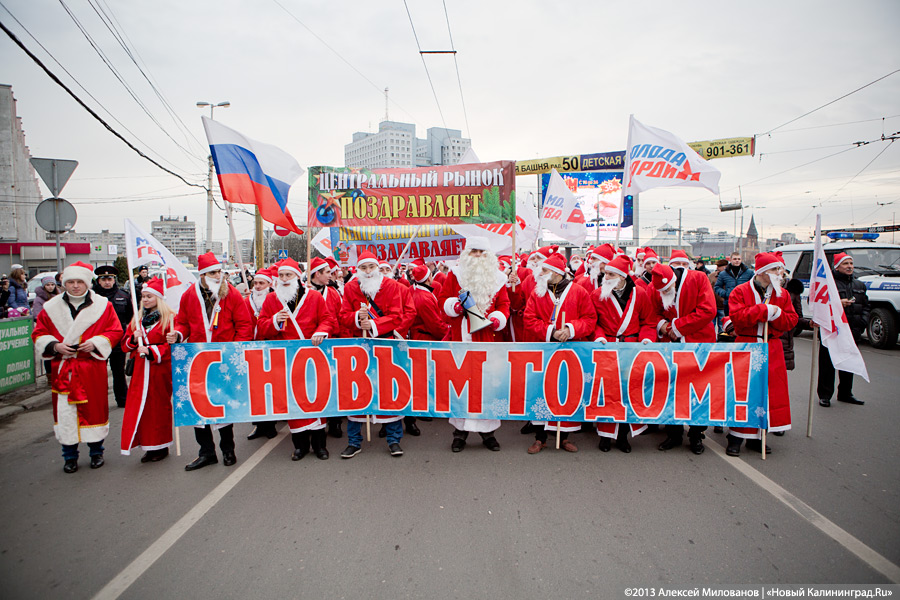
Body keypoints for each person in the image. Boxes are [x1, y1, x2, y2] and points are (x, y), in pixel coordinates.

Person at [31, 261, 123, 473]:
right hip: (64, 368)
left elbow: (115, 330)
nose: (74, 286)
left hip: (90, 366)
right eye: (70, 282)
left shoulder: (103, 305)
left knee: (94, 411)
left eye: (79, 282)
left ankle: (96, 452)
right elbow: (39, 333)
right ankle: (69, 456)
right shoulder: (50, 308)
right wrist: (55, 345)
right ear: (63, 283)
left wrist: (97, 342)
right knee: (65, 413)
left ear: (87, 283)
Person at [168, 252, 253, 471]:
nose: (217, 276)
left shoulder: (231, 294)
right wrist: (177, 334)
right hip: (197, 359)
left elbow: (244, 325)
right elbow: (183, 322)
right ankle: (206, 452)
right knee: (198, 408)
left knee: (222, 405)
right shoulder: (189, 295)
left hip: (223, 359)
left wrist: (235, 350)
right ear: (203, 275)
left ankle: (228, 450)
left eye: (219, 272)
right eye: (212, 272)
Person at [257, 258, 335, 460]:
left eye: (288, 275)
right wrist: (274, 322)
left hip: (312, 357)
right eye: (281, 275)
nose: (284, 279)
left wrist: (321, 332)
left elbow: (327, 319)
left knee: (316, 399)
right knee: (293, 403)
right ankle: (300, 446)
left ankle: (320, 445)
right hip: (287, 361)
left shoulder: (314, 297)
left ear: (297, 276)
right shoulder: (271, 300)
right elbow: (261, 327)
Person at [438, 236, 510, 453]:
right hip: (460, 338)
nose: (477, 256)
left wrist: (498, 318)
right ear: (466, 254)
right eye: (473, 252)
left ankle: (488, 433)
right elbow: (442, 299)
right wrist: (455, 307)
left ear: (488, 255)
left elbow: (504, 304)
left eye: (481, 252)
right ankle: (459, 434)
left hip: (486, 338)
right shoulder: (455, 275)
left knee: (486, 386)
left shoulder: (498, 279)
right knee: (460, 385)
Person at [523, 252, 597, 453]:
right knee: (540, 392)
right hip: (545, 350)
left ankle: (563, 437)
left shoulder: (579, 292)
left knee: (566, 391)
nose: (540, 273)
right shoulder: (537, 292)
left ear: (556, 273)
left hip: (570, 351)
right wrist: (552, 332)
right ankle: (540, 438)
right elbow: (528, 319)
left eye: (545, 270)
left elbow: (590, 319)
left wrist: (570, 329)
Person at [725, 253, 798, 456]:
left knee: (768, 393)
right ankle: (736, 436)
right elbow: (738, 318)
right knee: (743, 392)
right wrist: (763, 310)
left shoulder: (782, 294)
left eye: (781, 269)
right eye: (776, 269)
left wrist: (777, 315)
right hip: (746, 346)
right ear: (763, 271)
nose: (780, 273)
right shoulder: (740, 291)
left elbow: (791, 320)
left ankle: (759, 436)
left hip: (771, 347)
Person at [338, 251, 407, 458]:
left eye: (371, 267)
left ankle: (394, 439)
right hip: (360, 346)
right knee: (357, 391)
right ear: (358, 270)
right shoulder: (351, 287)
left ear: (377, 268)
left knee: (389, 390)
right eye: (363, 268)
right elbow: (342, 316)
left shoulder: (392, 286)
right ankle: (354, 441)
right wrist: (357, 320)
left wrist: (375, 324)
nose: (368, 272)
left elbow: (397, 316)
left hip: (386, 344)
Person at [648, 263, 717, 454]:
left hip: (699, 344)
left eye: (667, 289)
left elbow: (708, 310)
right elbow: (652, 312)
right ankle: (673, 434)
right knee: (672, 391)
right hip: (671, 346)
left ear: (674, 280)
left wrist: (677, 328)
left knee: (699, 392)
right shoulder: (655, 288)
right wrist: (661, 325)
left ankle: (696, 435)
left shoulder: (699, 279)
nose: (664, 292)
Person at [591, 255, 656, 453]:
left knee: (629, 393)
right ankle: (604, 435)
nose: (606, 276)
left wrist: (646, 339)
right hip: (607, 347)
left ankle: (622, 437)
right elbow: (592, 322)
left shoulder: (641, 294)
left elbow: (649, 321)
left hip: (631, 348)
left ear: (622, 276)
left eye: (611, 273)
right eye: (606, 273)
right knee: (606, 393)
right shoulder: (597, 295)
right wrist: (599, 337)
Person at [120, 278, 175, 462]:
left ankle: (161, 444)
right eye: (143, 296)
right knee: (141, 408)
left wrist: (152, 350)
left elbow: (172, 347)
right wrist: (134, 340)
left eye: (149, 296)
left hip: (159, 370)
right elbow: (124, 345)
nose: (145, 299)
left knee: (158, 407)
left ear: (158, 298)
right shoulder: (137, 320)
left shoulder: (169, 318)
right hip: (140, 371)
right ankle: (147, 445)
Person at [817, 253, 869, 407]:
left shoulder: (859, 285)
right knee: (827, 364)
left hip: (852, 329)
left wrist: (862, 323)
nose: (849, 266)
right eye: (845, 263)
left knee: (849, 361)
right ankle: (825, 395)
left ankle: (846, 393)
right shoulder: (828, 283)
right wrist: (837, 303)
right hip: (832, 331)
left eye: (851, 263)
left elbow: (866, 306)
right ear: (837, 266)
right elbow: (819, 303)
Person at [244, 267, 279, 441]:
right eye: (255, 283)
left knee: (270, 389)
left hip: (270, 348)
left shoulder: (275, 300)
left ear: (269, 284)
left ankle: (271, 425)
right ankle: (259, 425)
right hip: (252, 349)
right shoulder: (246, 301)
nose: (257, 286)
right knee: (255, 390)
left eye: (261, 283)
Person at [93, 265, 134, 408]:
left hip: (117, 341)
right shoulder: (92, 298)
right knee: (98, 374)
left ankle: (122, 400)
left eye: (110, 279)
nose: (107, 282)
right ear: (98, 281)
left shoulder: (123, 296)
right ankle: (98, 400)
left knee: (118, 373)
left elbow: (130, 317)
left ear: (114, 280)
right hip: (98, 340)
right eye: (103, 279)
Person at [710, 259, 728, 333]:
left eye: (720, 266)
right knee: (711, 326)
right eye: (718, 266)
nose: (718, 268)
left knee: (722, 328)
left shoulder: (728, 276)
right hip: (712, 306)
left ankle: (721, 342)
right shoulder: (711, 276)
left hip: (722, 306)